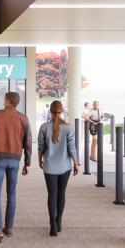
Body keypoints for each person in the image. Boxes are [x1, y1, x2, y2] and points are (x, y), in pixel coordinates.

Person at [0, 92, 32, 244]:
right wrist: (27, 163)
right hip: (15, 160)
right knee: (12, 193)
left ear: (7, 101)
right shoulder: (23, 118)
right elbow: (28, 141)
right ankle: (8, 228)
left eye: (4, 99)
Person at [37, 101, 80, 237]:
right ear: (62, 112)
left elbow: (41, 146)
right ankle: (59, 222)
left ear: (50, 111)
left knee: (52, 194)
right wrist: (76, 163)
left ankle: (52, 225)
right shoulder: (68, 128)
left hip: (49, 167)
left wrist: (40, 159)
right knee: (61, 194)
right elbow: (72, 147)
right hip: (65, 167)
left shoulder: (44, 127)